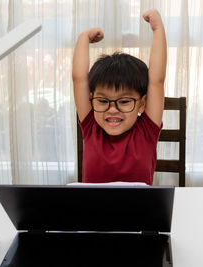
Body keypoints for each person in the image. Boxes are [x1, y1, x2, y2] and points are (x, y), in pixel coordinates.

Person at [72, 9, 167, 185]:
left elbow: (156, 81)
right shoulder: (91, 127)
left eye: (124, 101)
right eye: (103, 101)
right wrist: (83, 38)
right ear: (91, 100)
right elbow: (79, 79)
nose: (112, 109)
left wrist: (158, 30)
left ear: (142, 104)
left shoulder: (147, 131)